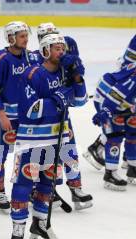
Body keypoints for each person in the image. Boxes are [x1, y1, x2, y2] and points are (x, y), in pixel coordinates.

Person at [10, 34, 88, 239]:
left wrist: (77, 78)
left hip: (56, 138)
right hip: (33, 140)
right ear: (45, 51)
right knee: (24, 182)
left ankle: (40, 225)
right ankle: (18, 226)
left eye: (63, 48)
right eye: (56, 48)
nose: (61, 52)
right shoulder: (32, 74)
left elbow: (80, 100)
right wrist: (60, 98)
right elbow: (32, 110)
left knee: (47, 183)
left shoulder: (65, 73)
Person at [34, 22, 93, 210]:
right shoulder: (35, 61)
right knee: (45, 156)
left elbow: (80, 99)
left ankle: (76, 188)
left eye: (54, 34)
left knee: (69, 151)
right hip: (42, 121)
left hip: (62, 119)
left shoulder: (65, 60)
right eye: (46, 36)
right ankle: (45, 187)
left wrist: (76, 74)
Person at [0, 21, 39, 213]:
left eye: (26, 35)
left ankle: (28, 186)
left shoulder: (32, 58)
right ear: (10, 38)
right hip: (4, 118)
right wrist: (2, 114)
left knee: (27, 153)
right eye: (22, 36)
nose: (26, 39)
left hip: (26, 117)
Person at [83, 34, 136, 170]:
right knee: (116, 129)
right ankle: (97, 149)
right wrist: (106, 110)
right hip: (109, 94)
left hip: (120, 94)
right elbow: (119, 91)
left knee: (128, 125)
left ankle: (128, 158)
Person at [92, 62, 136, 190]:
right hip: (107, 98)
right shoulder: (133, 80)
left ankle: (133, 168)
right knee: (115, 135)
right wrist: (105, 112)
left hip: (126, 102)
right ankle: (110, 174)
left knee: (133, 132)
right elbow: (114, 96)